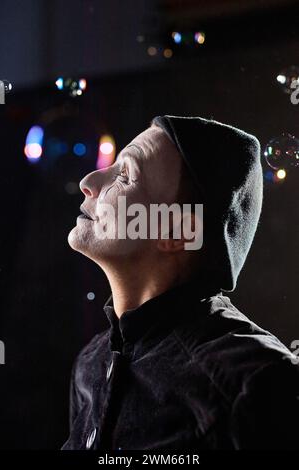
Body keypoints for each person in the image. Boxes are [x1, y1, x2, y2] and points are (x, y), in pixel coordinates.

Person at [62, 115, 299, 450]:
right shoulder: (91, 363)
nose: (89, 181)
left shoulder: (256, 382)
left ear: (176, 232)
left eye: (126, 176)